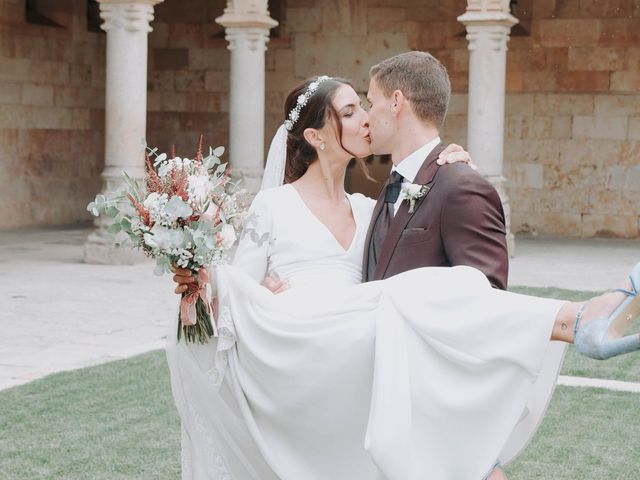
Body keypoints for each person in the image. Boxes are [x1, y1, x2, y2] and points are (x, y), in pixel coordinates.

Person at [168, 74, 640, 480]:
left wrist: (451, 169)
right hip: (301, 344)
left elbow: (417, 235)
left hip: (357, 351)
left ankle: (570, 332)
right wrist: (240, 287)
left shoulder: (370, 207)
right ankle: (575, 319)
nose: (365, 120)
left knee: (434, 294)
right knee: (409, 296)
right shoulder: (273, 205)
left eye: (364, 106)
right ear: (316, 136)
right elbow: (225, 295)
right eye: (351, 111)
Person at [363, 51, 511, 480]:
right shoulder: (390, 187)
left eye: (370, 101)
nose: (368, 116)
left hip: (440, 402)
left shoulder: (461, 186)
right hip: (391, 398)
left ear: (396, 101)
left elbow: (488, 302)